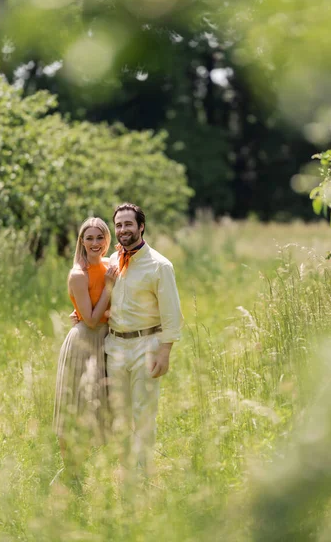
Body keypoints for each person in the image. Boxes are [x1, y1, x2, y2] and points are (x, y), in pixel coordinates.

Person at [105, 203, 183, 477]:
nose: (123, 229)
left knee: (143, 413)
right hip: (114, 346)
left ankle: (144, 476)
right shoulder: (112, 262)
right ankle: (125, 472)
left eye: (128, 224)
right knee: (120, 414)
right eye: (118, 225)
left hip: (146, 346)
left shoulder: (160, 266)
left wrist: (165, 351)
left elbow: (172, 313)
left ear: (141, 227)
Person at [53, 217, 117, 479]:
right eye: (89, 238)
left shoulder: (110, 265)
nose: (94, 243)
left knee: (100, 409)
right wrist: (108, 289)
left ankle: (85, 473)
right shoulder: (78, 273)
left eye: (99, 237)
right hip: (83, 342)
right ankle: (70, 474)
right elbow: (89, 319)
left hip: (106, 342)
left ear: (106, 241)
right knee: (75, 405)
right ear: (81, 241)